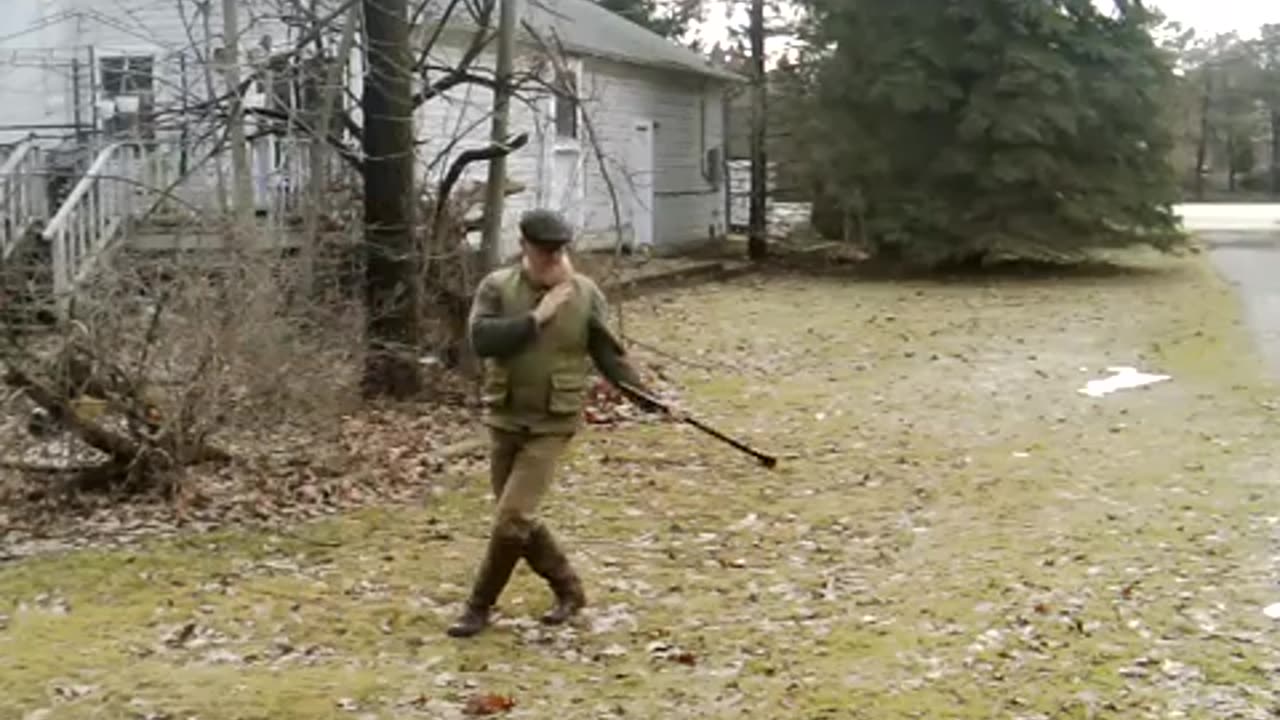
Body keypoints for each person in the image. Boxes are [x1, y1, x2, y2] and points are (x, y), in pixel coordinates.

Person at [446, 208, 663, 638]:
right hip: (505, 417)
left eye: (558, 251)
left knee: (512, 516)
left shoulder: (584, 294)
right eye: (543, 251)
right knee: (517, 519)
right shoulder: (497, 286)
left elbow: (609, 355)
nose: (552, 258)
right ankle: (568, 587)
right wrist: (537, 317)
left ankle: (478, 607)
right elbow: (482, 340)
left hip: (553, 422)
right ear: (524, 247)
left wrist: (648, 400)